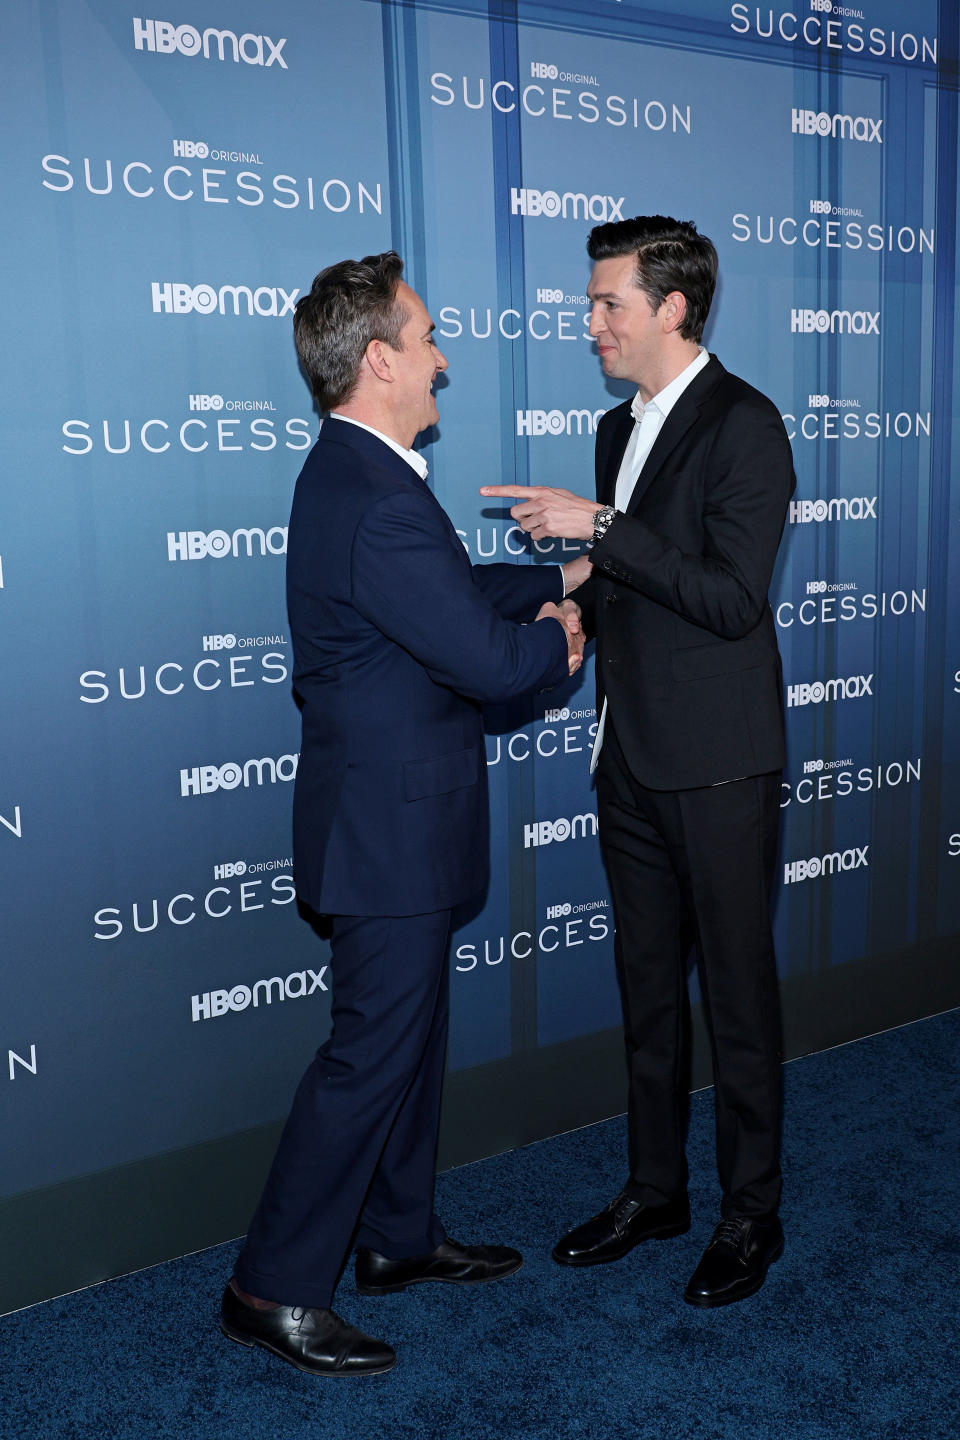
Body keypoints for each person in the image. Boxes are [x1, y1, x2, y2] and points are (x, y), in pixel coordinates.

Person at [221, 251, 587, 1376]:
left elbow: (440, 597)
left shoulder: (361, 478)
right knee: (369, 1058)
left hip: (395, 826)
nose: (443, 357)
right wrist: (556, 646)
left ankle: (395, 1239)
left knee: (409, 1046)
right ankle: (272, 1285)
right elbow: (480, 657)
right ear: (378, 360)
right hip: (384, 836)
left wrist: (554, 582)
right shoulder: (372, 495)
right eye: (426, 338)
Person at [481, 215, 795, 1308]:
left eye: (609, 301)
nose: (591, 320)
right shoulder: (621, 429)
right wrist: (557, 594)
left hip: (720, 767)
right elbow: (633, 585)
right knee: (648, 992)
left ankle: (753, 1215)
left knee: (740, 1000)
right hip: (631, 757)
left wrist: (605, 531)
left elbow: (730, 597)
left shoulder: (747, 424)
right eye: (590, 301)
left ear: (672, 307)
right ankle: (654, 1190)